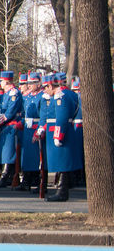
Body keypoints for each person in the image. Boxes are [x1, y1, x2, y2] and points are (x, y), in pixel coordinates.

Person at [38, 73, 82, 202]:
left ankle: (62, 191)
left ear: (51, 85)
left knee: (63, 163)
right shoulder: (66, 94)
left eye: (46, 87)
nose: (44, 90)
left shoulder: (60, 96)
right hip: (56, 130)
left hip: (60, 132)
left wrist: (58, 135)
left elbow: (62, 118)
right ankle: (62, 190)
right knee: (61, 163)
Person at [0, 71, 22, 188]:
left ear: (7, 81)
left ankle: (6, 175)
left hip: (11, 125)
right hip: (5, 126)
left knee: (9, 151)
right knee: (4, 151)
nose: (1, 83)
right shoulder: (6, 94)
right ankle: (6, 175)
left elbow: (10, 112)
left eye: (2, 81)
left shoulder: (14, 93)